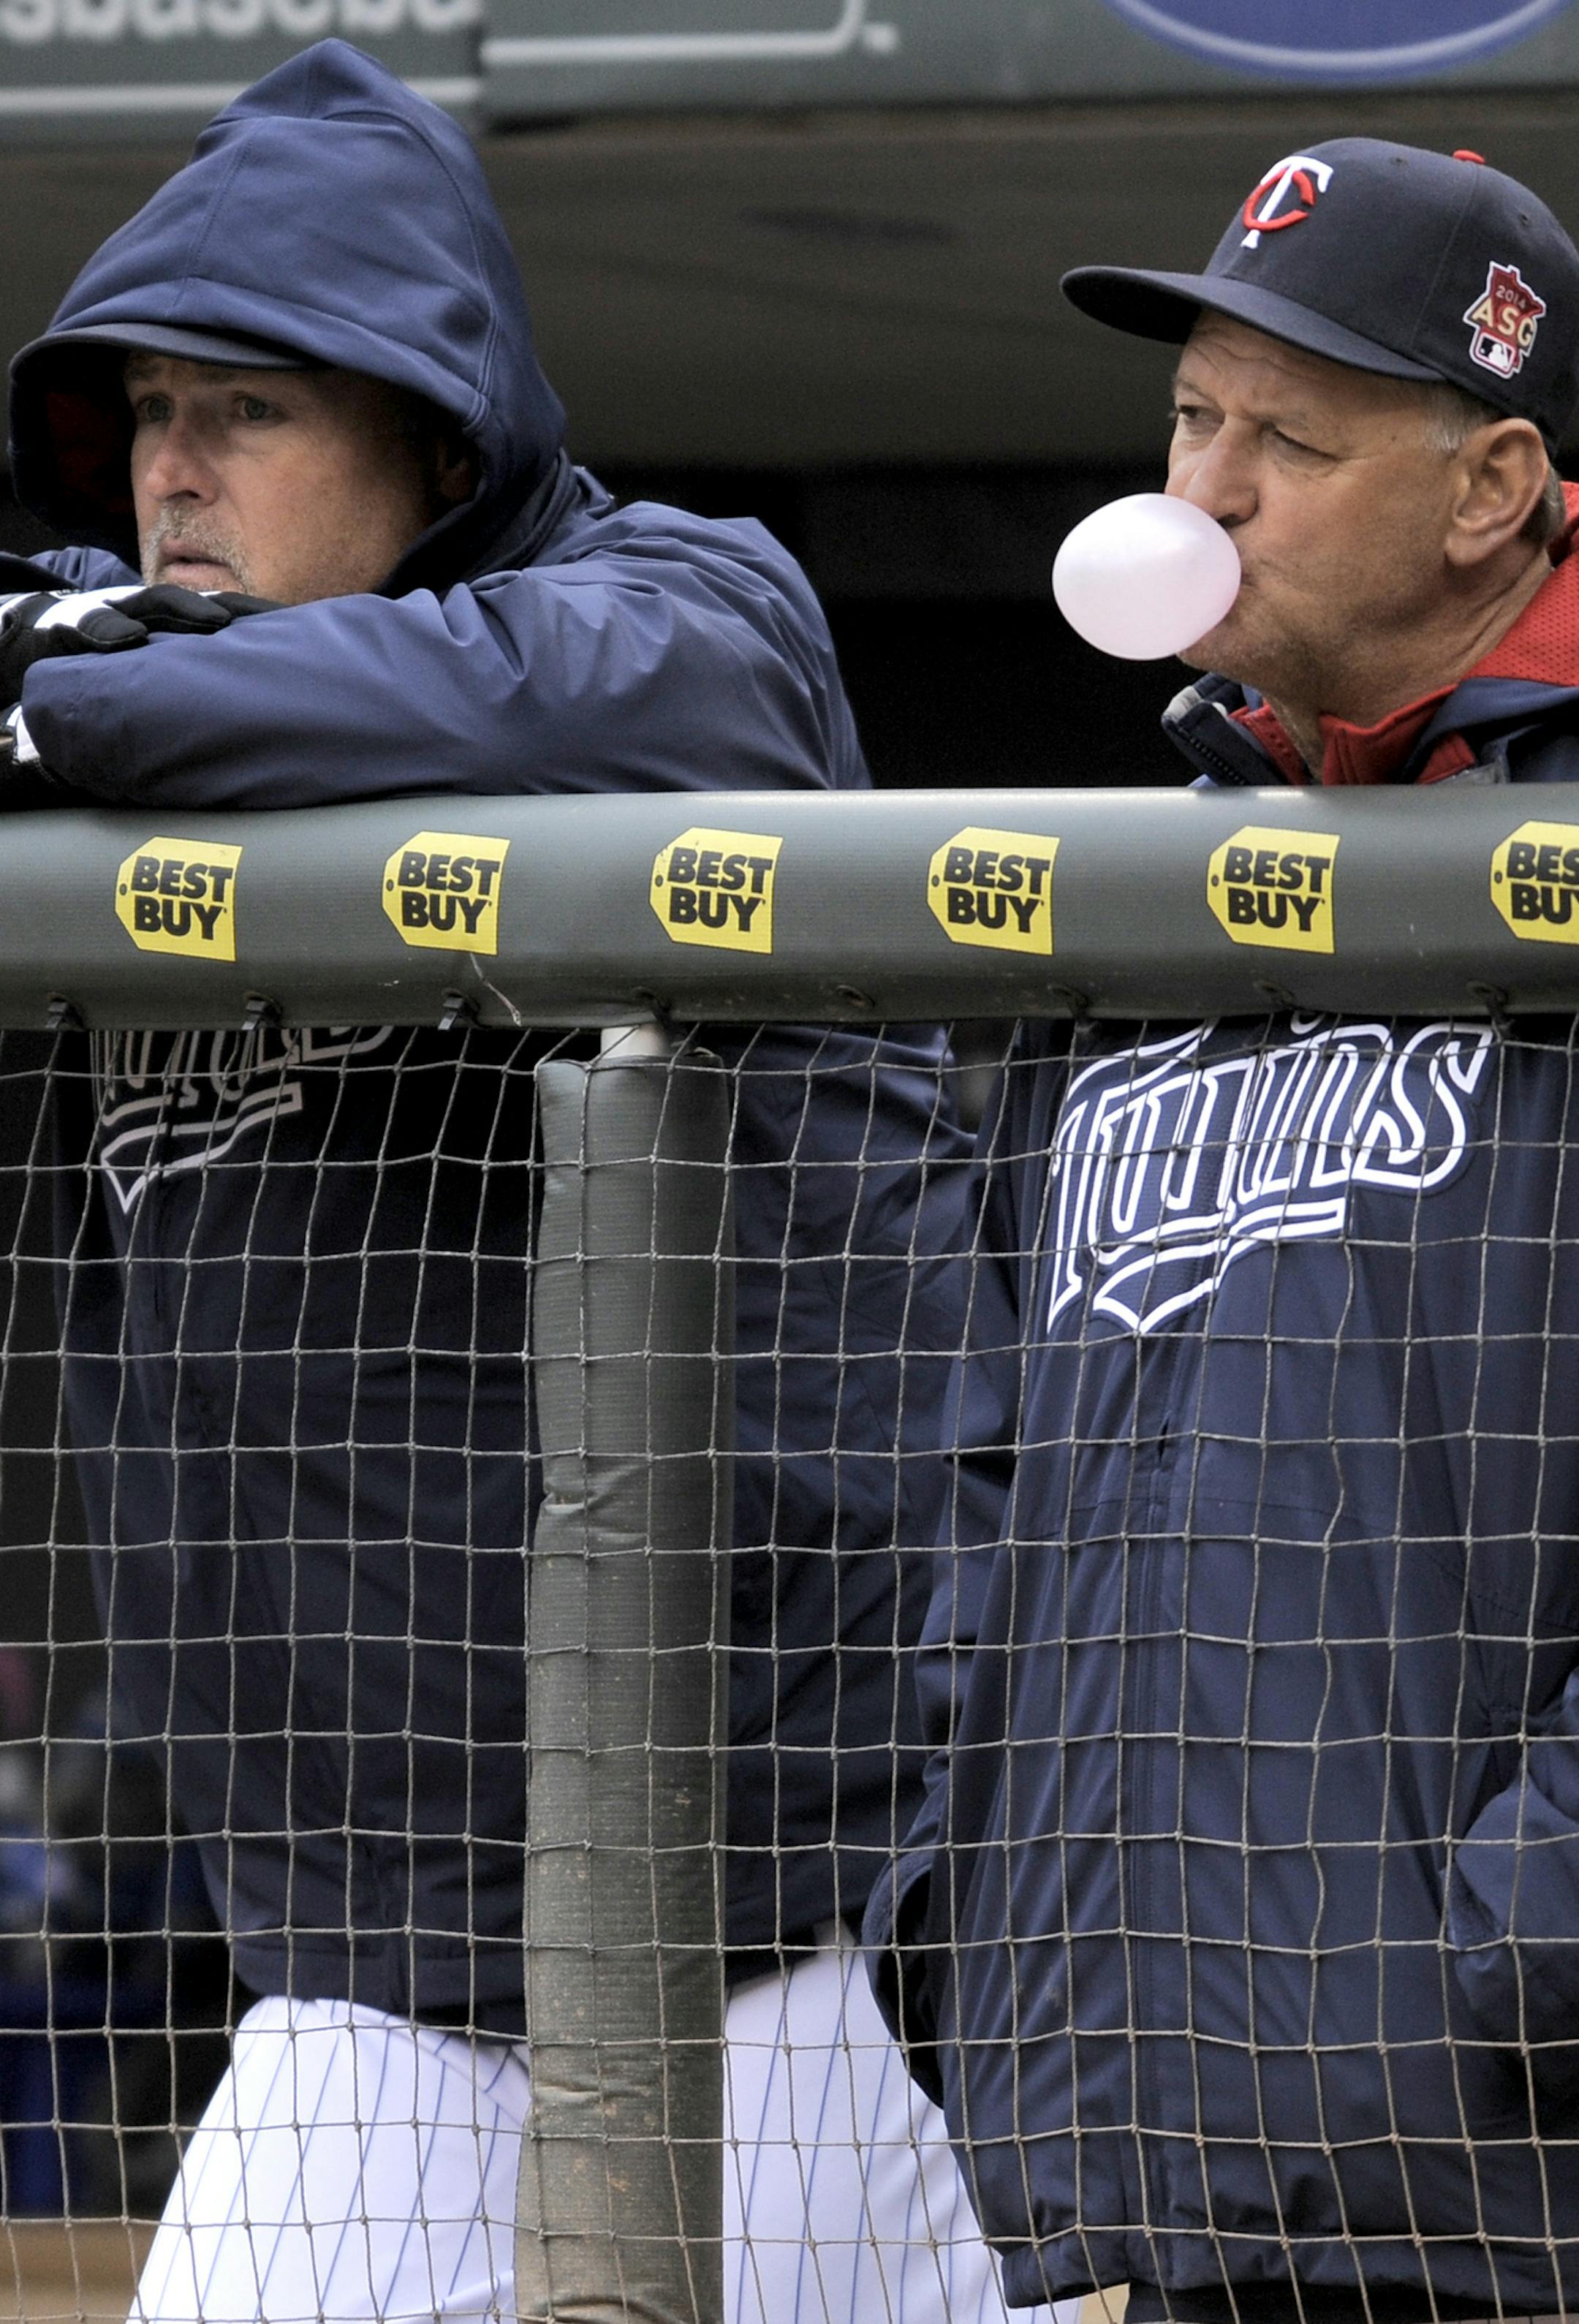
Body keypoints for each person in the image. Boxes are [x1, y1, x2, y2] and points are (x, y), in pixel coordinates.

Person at [0, 39, 1040, 2324]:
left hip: (787, 1956)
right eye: (150, 416)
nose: (175, 471)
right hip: (363, 1987)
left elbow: (541, 696)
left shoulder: (691, 607)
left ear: (431, 430)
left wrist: (73, 689)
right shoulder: (111, 713)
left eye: (250, 413)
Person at [865, 137, 1579, 2324]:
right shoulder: (1149, 900)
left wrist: (1490, 1965)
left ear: (1492, 485)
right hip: (1143, 2155)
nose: (1212, 489)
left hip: (1516, 2189)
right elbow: (979, 1459)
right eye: (1194, 416)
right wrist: (966, 1909)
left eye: (1293, 432)